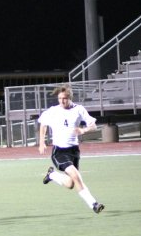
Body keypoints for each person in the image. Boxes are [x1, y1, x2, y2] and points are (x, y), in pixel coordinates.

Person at [38, 85, 104, 213]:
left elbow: (93, 125)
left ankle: (52, 175)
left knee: (70, 183)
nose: (62, 101)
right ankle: (93, 204)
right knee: (76, 175)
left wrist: (83, 130)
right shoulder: (53, 110)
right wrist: (42, 141)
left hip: (74, 151)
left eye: (65, 98)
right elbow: (43, 124)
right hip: (59, 152)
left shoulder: (79, 109)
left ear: (70, 98)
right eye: (60, 98)